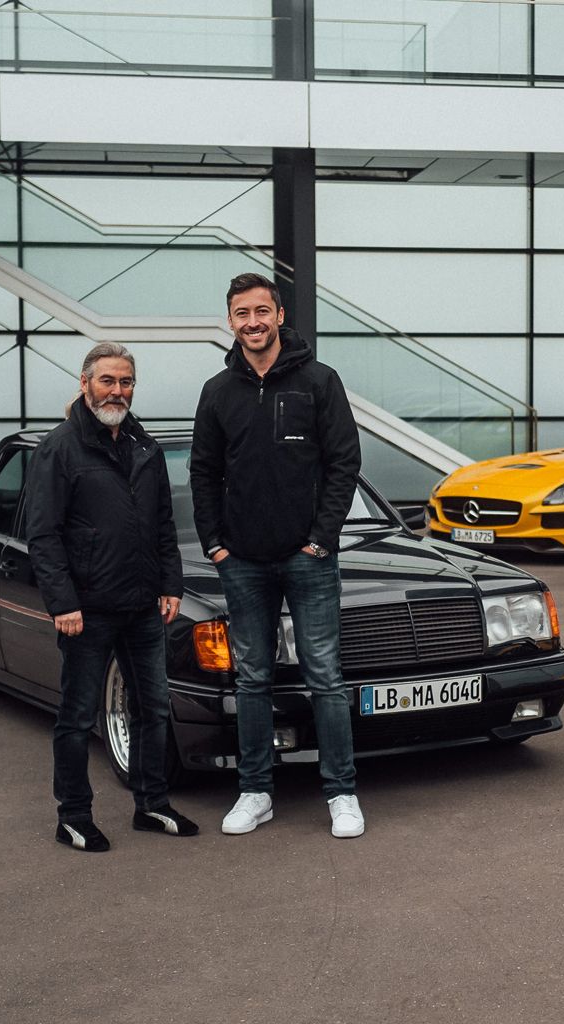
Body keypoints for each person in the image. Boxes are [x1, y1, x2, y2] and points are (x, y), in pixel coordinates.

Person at [190, 273, 365, 839]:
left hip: (308, 558)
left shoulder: (319, 382)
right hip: (241, 560)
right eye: (241, 314)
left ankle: (342, 793)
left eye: (261, 311)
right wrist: (215, 542)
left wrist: (321, 537)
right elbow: (202, 472)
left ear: (280, 315)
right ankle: (255, 791)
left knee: (325, 678)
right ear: (231, 322)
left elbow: (344, 465)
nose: (253, 322)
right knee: (252, 678)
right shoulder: (218, 391)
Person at [25, 342, 196, 852]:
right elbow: (44, 534)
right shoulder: (59, 448)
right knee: (77, 717)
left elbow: (163, 523)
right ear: (84, 384)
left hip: (143, 604)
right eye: (107, 381)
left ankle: (152, 805)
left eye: (125, 382)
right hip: (88, 610)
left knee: (153, 707)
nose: (117, 391)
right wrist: (63, 603)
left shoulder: (144, 445)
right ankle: (73, 815)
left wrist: (171, 583)